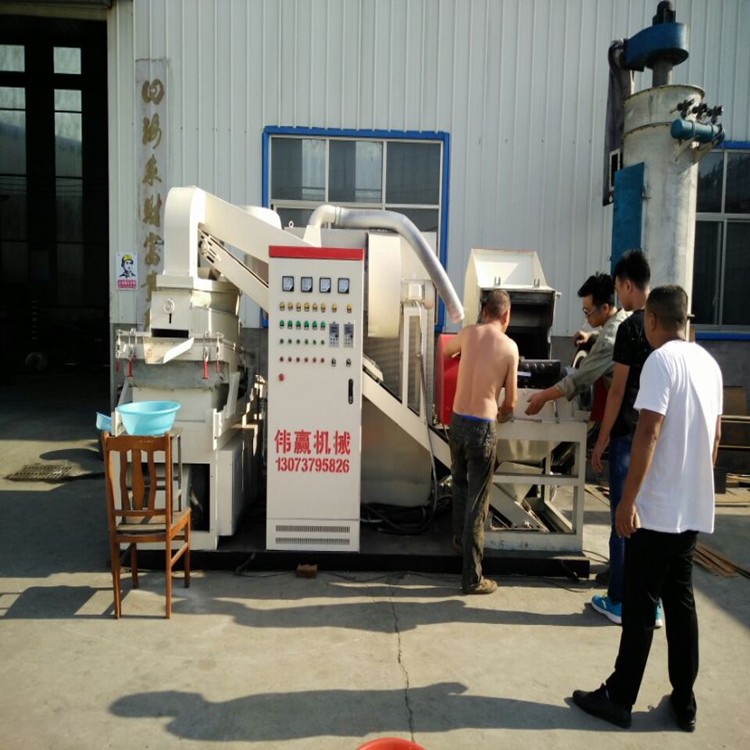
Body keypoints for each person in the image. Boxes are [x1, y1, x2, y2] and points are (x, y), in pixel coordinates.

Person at [572, 285, 723, 732]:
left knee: (640, 608)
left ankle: (619, 698)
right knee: (680, 604)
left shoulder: (661, 361)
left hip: (655, 511)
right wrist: (695, 487)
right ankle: (685, 701)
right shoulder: (709, 365)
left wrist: (628, 500)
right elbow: (715, 439)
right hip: (690, 511)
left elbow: (648, 432)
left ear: (653, 320)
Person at [589, 251, 660, 626]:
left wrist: (601, 439)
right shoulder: (667, 325)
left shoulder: (630, 327)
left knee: (622, 520)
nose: (618, 297)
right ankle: (651, 602)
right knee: (650, 522)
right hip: (659, 438)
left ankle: (618, 600)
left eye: (618, 289)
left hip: (628, 436)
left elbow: (617, 391)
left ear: (628, 285)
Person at [444, 289, 519, 595]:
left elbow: (447, 351)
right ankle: (472, 578)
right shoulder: (510, 347)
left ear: (484, 311)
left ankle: (459, 542)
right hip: (482, 429)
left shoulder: (467, 333)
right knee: (477, 503)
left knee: (460, 485)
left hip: (457, 422)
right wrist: (502, 415)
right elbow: (511, 402)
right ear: (507, 315)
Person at [526, 273, 628, 416]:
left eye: (588, 311)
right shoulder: (624, 319)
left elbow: (579, 379)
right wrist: (591, 336)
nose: (586, 316)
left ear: (605, 308)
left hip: (622, 411)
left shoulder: (607, 341)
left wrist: (543, 396)